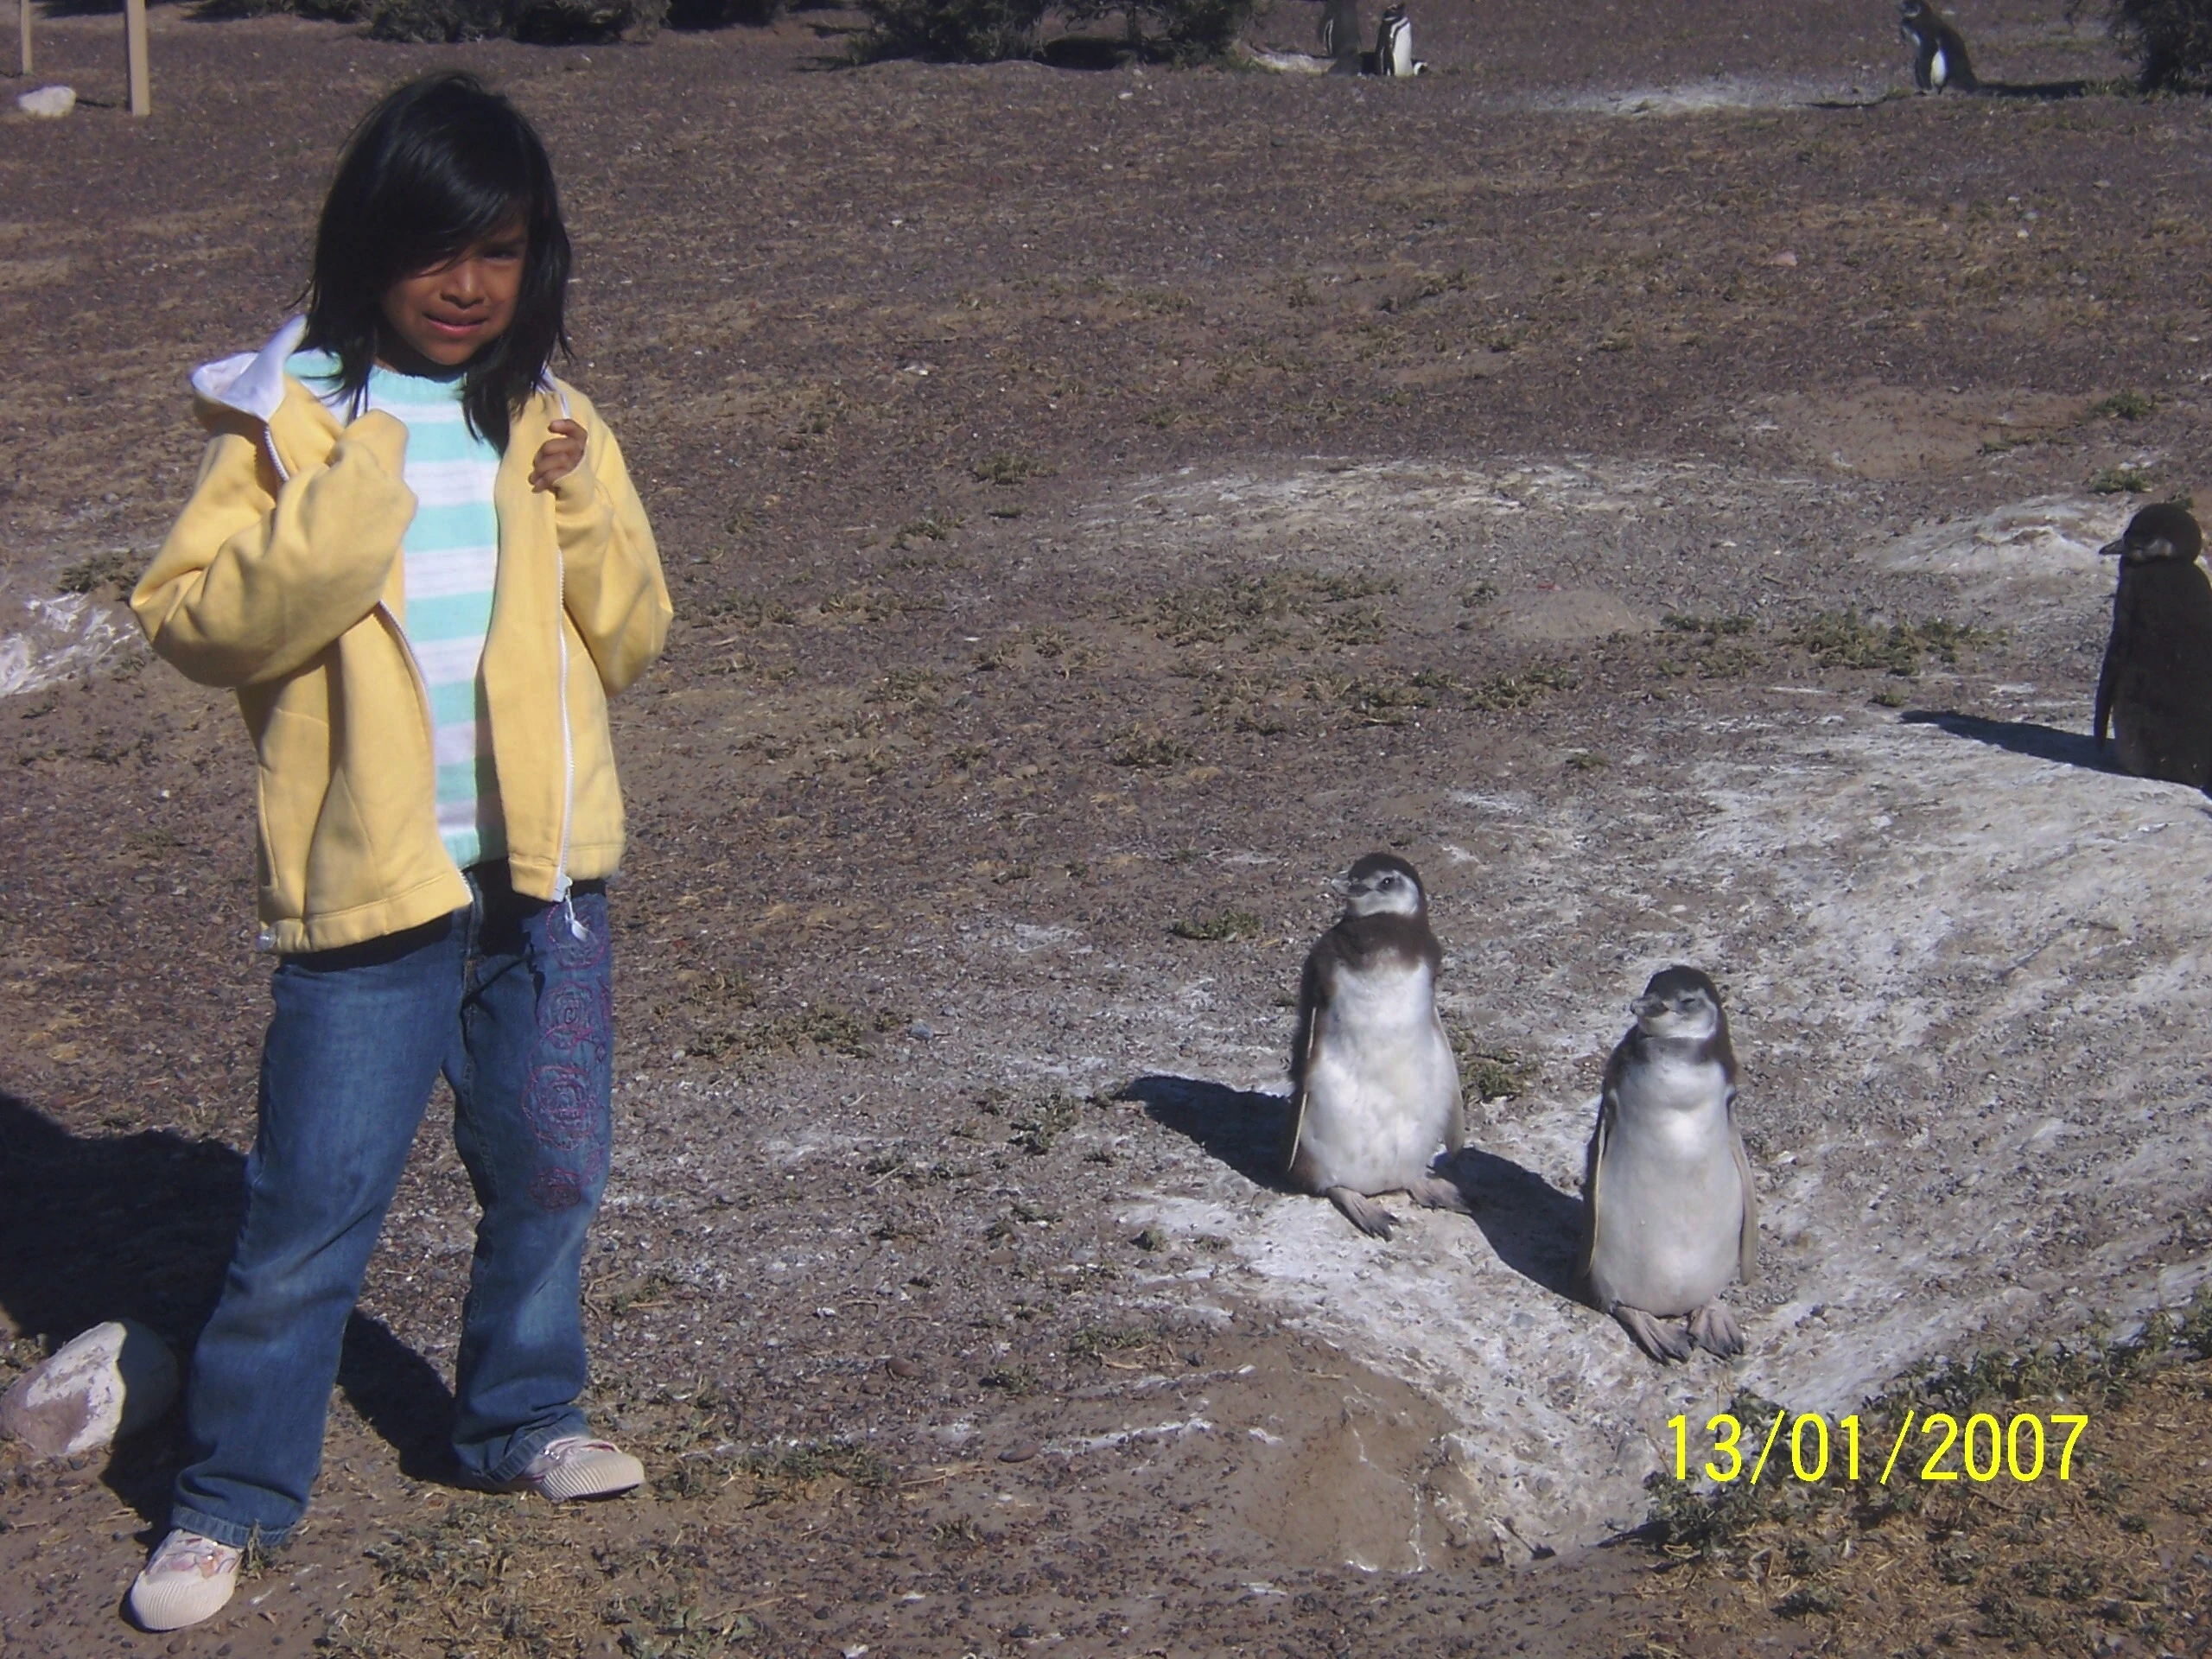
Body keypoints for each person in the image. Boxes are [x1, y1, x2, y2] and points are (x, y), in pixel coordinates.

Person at [124, 70, 671, 1633]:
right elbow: (191, 619)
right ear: (368, 246)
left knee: (552, 1167)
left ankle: (520, 1421)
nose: (466, 287)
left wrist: (576, 518)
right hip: (374, 889)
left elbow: (632, 636)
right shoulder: (293, 419)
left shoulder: (558, 421)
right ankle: (228, 1497)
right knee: (313, 1207)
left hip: (546, 881)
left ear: (537, 260)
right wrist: (340, 517)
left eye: (499, 253)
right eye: (436, 250)